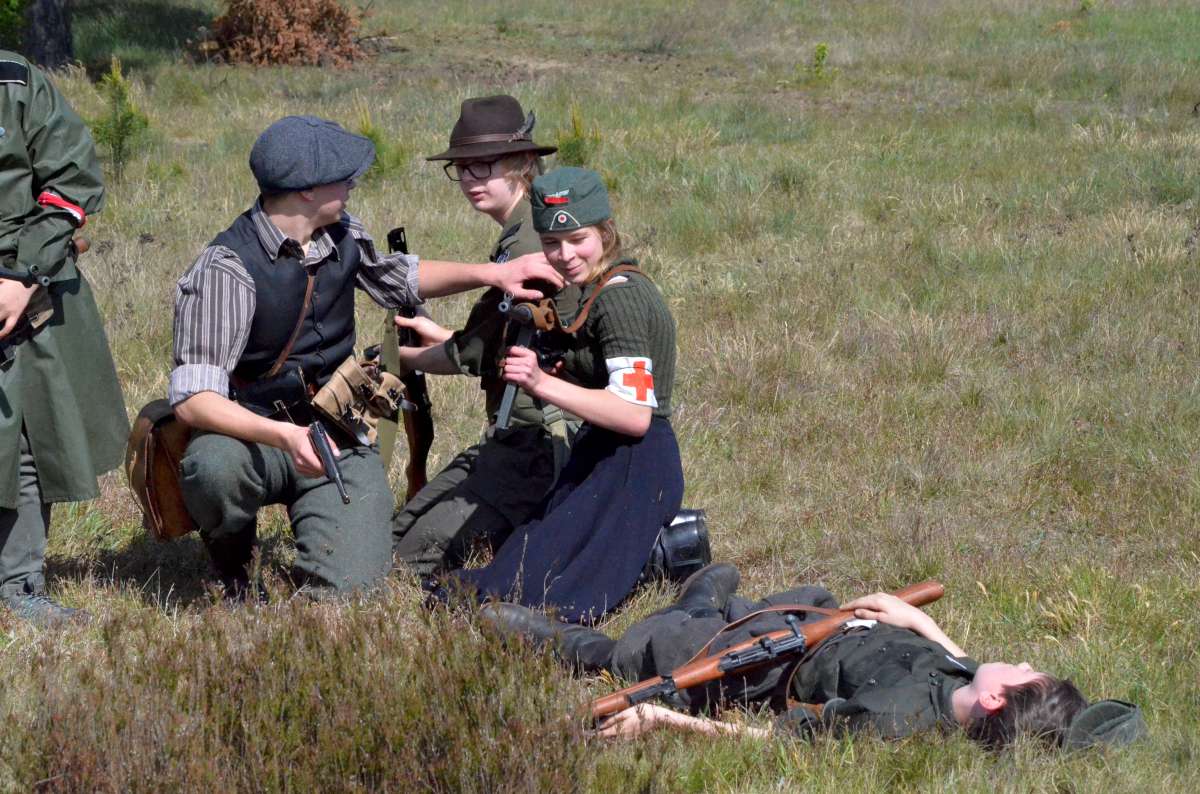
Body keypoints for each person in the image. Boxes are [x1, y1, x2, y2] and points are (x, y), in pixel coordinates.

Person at [170, 115, 562, 598]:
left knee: (353, 592)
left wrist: (493, 274)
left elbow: (400, 277)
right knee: (213, 470)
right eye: (343, 176)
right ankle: (232, 569)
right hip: (250, 433)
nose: (353, 185)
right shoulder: (226, 269)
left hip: (337, 426)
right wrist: (285, 436)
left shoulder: (341, 231)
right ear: (306, 190)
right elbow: (193, 399)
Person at [484, 564, 1144, 750]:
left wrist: (663, 719)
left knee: (654, 653)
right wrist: (917, 619)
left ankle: (565, 643)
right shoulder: (969, 685)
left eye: (1025, 672)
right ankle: (707, 599)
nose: (1020, 661)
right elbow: (962, 663)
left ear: (998, 700)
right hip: (818, 619)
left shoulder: (893, 722)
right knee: (766, 602)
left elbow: (776, 738)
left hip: (773, 663)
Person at [428, 166, 684, 623]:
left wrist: (541, 383)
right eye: (551, 243)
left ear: (606, 232)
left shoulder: (619, 299)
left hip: (634, 463)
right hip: (603, 453)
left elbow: (634, 415)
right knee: (520, 568)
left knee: (556, 598)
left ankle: (671, 552)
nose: (565, 255)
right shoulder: (596, 290)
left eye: (577, 239)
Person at [391, 95, 583, 577]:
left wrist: (400, 360)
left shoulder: (527, 243)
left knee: (408, 561)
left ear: (522, 162)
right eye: (462, 167)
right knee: (397, 535)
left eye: (485, 165)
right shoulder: (526, 228)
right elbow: (507, 340)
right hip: (516, 437)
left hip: (540, 445)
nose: (471, 179)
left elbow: (474, 353)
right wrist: (441, 336)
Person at [0, 51, 128, 626]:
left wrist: (21, 275)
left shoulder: (15, 82)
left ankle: (18, 584)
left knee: (24, 436)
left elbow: (72, 180)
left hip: (18, 286)